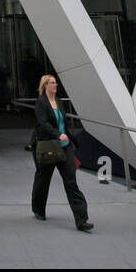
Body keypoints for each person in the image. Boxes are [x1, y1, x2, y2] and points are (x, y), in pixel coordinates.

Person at [30, 74, 93, 232]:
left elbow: (63, 123)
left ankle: (82, 220)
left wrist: (69, 139)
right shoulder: (41, 103)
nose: (55, 85)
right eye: (51, 83)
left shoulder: (59, 102)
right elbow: (43, 123)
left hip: (65, 147)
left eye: (55, 83)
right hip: (49, 146)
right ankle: (38, 209)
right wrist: (58, 134)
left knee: (71, 182)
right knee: (43, 179)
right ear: (45, 85)